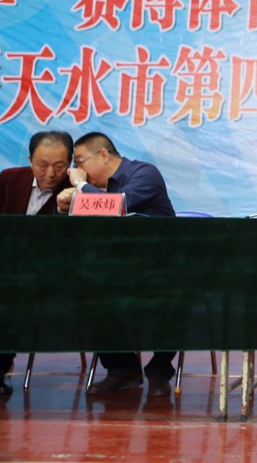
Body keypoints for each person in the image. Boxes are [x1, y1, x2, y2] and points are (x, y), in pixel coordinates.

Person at [56, 131, 178, 397]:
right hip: (116, 268)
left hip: (162, 267)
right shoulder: (95, 188)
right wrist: (66, 206)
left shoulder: (144, 173)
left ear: (103, 155)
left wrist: (81, 187)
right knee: (86, 292)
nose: (78, 170)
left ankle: (159, 370)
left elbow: (119, 205)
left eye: (80, 161)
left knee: (176, 295)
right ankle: (122, 369)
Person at [0, 130, 74, 395]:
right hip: (1, 267)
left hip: (46, 274)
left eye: (59, 165)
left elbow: (73, 242)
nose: (51, 173)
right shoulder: (10, 178)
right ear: (30, 160)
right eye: (42, 164)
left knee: (9, 299)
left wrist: (63, 209)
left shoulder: (77, 189)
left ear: (70, 163)